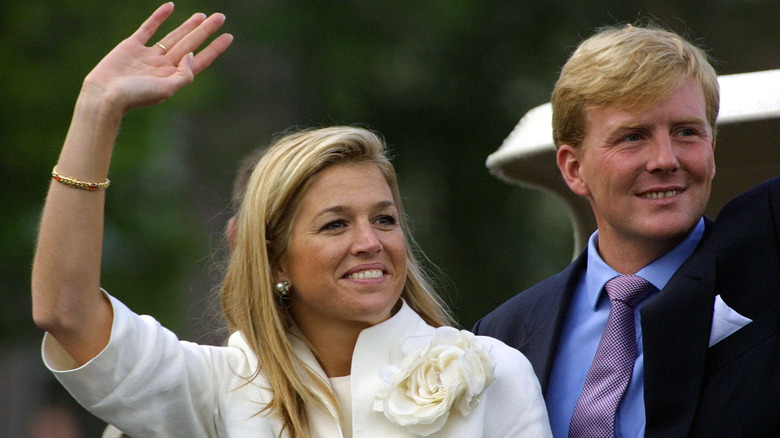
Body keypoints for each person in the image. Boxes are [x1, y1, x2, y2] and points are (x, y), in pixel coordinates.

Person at [32, 4, 552, 437]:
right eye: (335, 225)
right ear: (274, 256)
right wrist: (96, 110)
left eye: (385, 220)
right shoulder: (219, 389)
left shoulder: (492, 373)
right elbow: (68, 314)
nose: (369, 242)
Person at [473, 23, 780, 437]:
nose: (665, 159)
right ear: (574, 169)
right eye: (633, 137)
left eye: (686, 132)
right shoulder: (501, 337)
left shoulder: (767, 280)